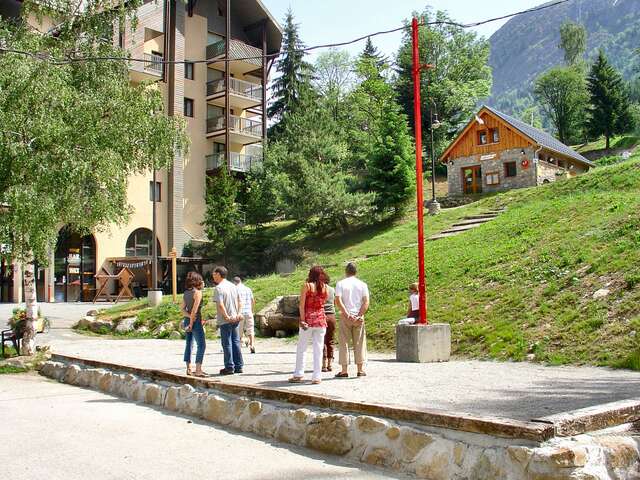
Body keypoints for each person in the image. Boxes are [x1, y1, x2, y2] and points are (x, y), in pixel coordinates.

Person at [289, 266, 328, 385]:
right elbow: (323, 304)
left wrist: (302, 319)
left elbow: (301, 305)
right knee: (318, 348)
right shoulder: (325, 287)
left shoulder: (307, 286)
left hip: (308, 321)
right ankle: (317, 376)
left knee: (302, 348)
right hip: (321, 320)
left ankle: (298, 374)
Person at [335, 262, 369, 378]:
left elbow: (338, 301)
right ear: (356, 272)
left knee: (344, 342)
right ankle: (360, 369)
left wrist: (346, 313)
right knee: (359, 342)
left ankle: (344, 370)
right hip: (358, 316)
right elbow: (366, 302)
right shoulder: (362, 284)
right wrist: (359, 315)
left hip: (346, 316)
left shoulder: (340, 283)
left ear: (346, 271)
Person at [213, 266, 244, 375]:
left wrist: (226, 316)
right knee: (236, 342)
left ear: (218, 274)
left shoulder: (218, 288)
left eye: (214, 274)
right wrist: (239, 313)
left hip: (226, 320)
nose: (213, 276)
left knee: (226, 343)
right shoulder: (233, 286)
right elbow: (240, 301)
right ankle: (239, 366)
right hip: (235, 318)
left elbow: (220, 304)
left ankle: (229, 366)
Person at [181, 271, 206, 377]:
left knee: (189, 343)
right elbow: (195, 310)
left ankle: (188, 368)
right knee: (201, 345)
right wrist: (192, 322)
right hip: (195, 321)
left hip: (187, 319)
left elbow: (182, 309)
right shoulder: (198, 293)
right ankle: (198, 370)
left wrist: (188, 317)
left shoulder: (186, 293)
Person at [233, 276, 256, 354]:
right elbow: (253, 301)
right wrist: (252, 311)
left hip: (240, 313)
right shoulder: (248, 289)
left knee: (239, 331)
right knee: (251, 329)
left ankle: (238, 347)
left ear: (234, 282)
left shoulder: (235, 289)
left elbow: (235, 302)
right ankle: (252, 345)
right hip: (249, 312)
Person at [321, 275, 336, 372]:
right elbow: (334, 302)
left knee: (321, 340)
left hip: (321, 316)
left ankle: (323, 364)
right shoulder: (332, 289)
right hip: (331, 316)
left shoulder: (319, 290)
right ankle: (330, 364)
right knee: (330, 340)